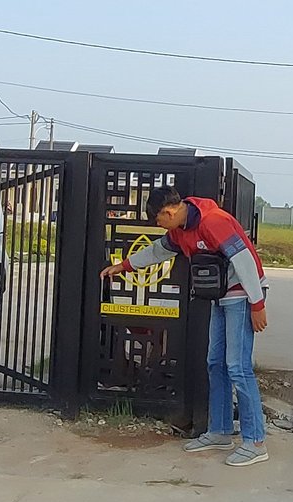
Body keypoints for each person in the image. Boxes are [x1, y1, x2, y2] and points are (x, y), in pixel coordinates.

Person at [99, 186, 270, 467]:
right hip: (220, 297)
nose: (159, 226)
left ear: (169, 212)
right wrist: (124, 266)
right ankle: (220, 431)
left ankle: (255, 441)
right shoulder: (180, 230)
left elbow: (245, 261)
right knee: (215, 363)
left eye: (158, 220)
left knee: (238, 367)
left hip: (242, 295)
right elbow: (158, 251)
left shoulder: (214, 221)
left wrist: (257, 304)